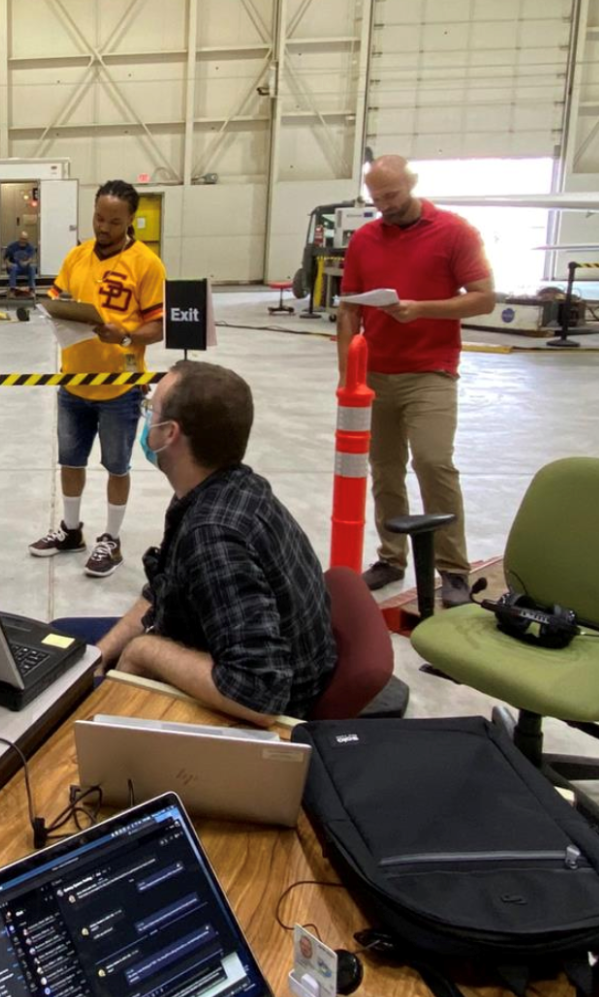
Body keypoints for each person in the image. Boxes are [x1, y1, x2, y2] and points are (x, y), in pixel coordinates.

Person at [50, 361, 336, 725]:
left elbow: (260, 692)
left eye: (150, 410)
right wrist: (99, 657)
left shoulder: (213, 536)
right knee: (63, 649)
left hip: (257, 714)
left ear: (168, 433)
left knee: (53, 715)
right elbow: (162, 591)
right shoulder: (215, 487)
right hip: (216, 645)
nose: (145, 418)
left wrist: (145, 652)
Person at [338, 155, 495, 609]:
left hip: (430, 369)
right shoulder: (366, 239)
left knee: (432, 461)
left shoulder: (455, 231)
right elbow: (349, 308)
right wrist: (347, 373)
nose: (384, 205)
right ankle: (391, 557)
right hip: (375, 373)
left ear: (412, 184)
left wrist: (421, 308)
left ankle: (453, 569)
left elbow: (485, 299)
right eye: (376, 198)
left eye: (392, 196)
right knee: (384, 470)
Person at [29, 180, 167, 578]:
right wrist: (59, 315)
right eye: (98, 218)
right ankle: (71, 531)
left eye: (113, 222)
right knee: (70, 461)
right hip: (73, 381)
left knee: (116, 466)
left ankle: (111, 539)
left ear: (130, 222)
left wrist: (123, 334)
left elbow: (157, 326)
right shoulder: (77, 257)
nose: (103, 227)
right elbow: (58, 300)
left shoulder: (147, 264)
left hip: (120, 388)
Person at [3, 228, 38, 295]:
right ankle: (12, 290)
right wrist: (8, 263)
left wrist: (27, 262)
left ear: (27, 240)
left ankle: (31, 289)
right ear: (19, 238)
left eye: (25, 239)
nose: (23, 241)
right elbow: (5, 258)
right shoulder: (12, 246)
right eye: (22, 239)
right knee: (14, 266)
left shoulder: (30, 247)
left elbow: (31, 258)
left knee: (32, 267)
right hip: (15, 268)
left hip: (25, 268)